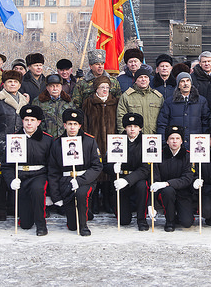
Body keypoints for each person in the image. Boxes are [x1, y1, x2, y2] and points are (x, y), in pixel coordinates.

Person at [0, 69, 30, 220]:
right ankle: (0, 207)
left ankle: (13, 205)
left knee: (16, 174)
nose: (12, 84)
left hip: (19, 144)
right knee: (2, 177)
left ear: (19, 84)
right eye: (10, 82)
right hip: (1, 143)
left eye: (15, 82)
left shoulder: (24, 101)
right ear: (4, 83)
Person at [48, 108, 102, 236]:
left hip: (85, 180)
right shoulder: (57, 144)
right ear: (65, 125)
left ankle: (84, 226)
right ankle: (85, 213)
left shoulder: (89, 141)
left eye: (75, 124)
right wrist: (56, 196)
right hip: (66, 181)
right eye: (70, 124)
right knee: (72, 226)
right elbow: (53, 171)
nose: (72, 127)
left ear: (80, 125)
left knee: (82, 194)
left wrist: (80, 181)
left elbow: (97, 166)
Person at [2, 105, 52, 236]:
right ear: (22, 121)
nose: (29, 123)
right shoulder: (14, 139)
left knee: (37, 190)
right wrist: (11, 180)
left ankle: (41, 224)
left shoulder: (47, 140)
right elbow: (6, 165)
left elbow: (52, 166)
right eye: (26, 120)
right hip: (20, 176)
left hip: (39, 175)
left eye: (32, 120)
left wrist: (52, 192)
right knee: (25, 224)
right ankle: (27, 218)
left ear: (39, 122)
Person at [104, 113, 150, 230]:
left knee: (142, 187)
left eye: (135, 126)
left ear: (140, 128)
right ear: (125, 128)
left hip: (137, 178)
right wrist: (112, 168)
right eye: (129, 126)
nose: (132, 129)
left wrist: (127, 180)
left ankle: (142, 219)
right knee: (124, 221)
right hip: (119, 178)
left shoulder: (146, 143)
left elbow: (145, 169)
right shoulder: (116, 141)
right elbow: (104, 165)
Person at [82, 75, 118, 214]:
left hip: (111, 143)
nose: (105, 90)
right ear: (96, 89)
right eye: (102, 87)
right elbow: (84, 123)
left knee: (109, 173)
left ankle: (108, 202)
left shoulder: (114, 102)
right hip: (94, 142)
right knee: (95, 171)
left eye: (107, 87)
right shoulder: (88, 103)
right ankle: (95, 200)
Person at [150, 125, 195, 232]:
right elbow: (154, 179)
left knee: (187, 223)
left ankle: (179, 213)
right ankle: (169, 221)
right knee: (168, 191)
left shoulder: (188, 156)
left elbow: (187, 179)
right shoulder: (159, 155)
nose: (174, 141)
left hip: (183, 193)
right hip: (166, 193)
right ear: (167, 141)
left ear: (182, 141)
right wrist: (150, 204)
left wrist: (166, 183)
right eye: (171, 138)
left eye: (177, 138)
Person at [156, 72, 209, 147]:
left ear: (191, 83)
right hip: (175, 145)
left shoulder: (201, 101)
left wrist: (204, 141)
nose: (185, 84)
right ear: (178, 85)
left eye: (188, 81)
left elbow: (205, 123)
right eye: (182, 81)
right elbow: (162, 123)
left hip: (196, 144)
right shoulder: (169, 102)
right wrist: (163, 142)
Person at [117, 68, 163, 134]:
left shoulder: (158, 97)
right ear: (136, 80)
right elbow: (120, 117)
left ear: (149, 80)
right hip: (134, 138)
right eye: (140, 77)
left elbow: (163, 119)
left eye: (146, 77)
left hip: (153, 137)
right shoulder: (127, 96)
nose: (143, 79)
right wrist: (124, 135)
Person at [32, 74, 74, 138]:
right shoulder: (38, 102)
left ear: (61, 87)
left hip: (64, 138)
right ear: (47, 88)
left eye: (57, 86)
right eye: (52, 86)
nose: (55, 89)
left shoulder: (68, 102)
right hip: (45, 138)